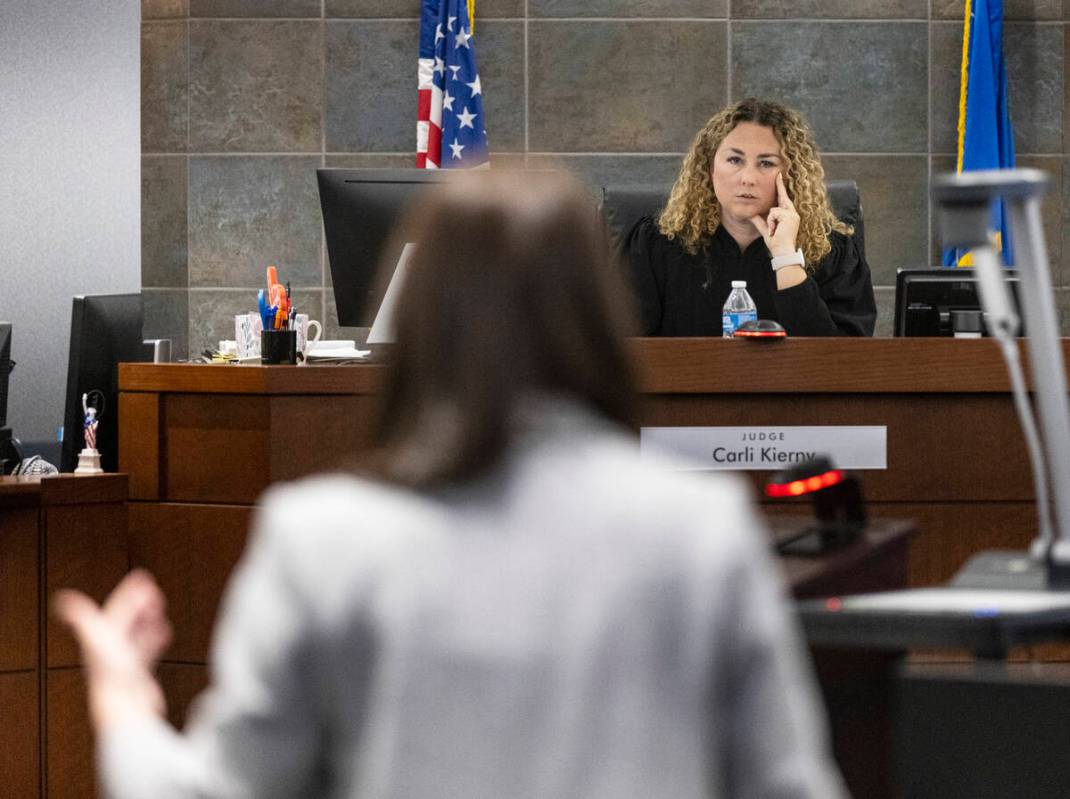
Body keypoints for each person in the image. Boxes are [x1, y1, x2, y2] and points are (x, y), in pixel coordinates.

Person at [56, 172, 846, 799]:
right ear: (597, 318)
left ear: (422, 316)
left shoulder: (320, 537)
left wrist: (123, 701)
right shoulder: (701, 529)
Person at [626, 97, 877, 337]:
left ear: (792, 175)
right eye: (735, 160)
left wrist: (786, 258)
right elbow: (618, 349)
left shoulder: (832, 250)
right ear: (709, 168)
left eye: (766, 163)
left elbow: (841, 362)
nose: (747, 178)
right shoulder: (657, 244)